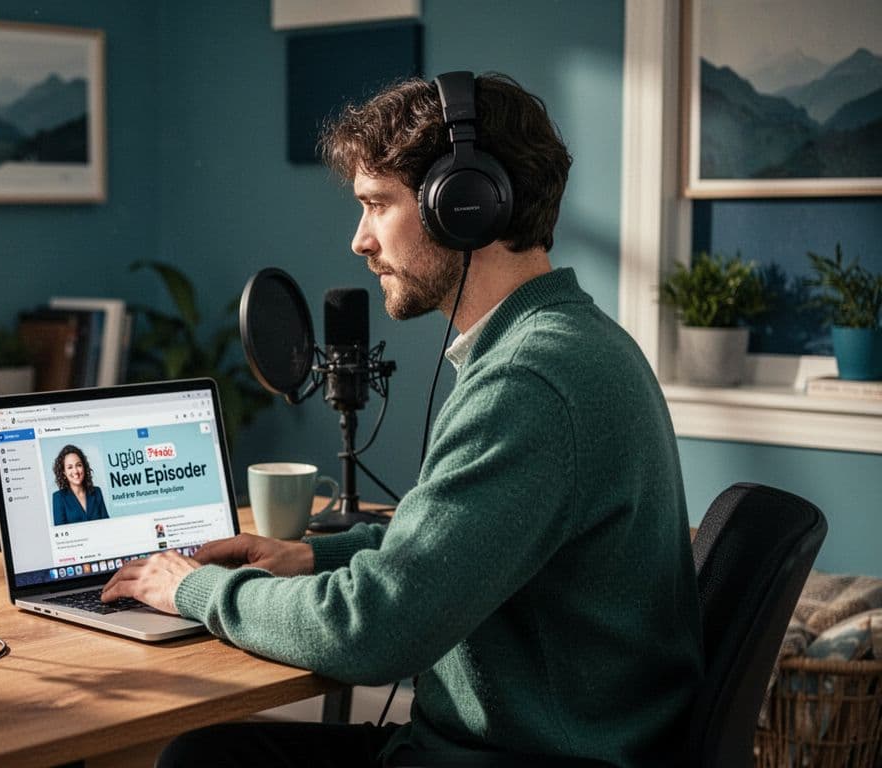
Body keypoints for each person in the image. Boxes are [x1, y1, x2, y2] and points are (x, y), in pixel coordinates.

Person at [102, 72, 703, 767]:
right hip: (540, 744)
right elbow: (463, 548)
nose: (359, 240)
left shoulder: (527, 381)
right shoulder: (574, 342)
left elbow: (372, 631)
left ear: (465, 205)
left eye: (376, 204)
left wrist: (192, 588)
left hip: (514, 758)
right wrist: (314, 556)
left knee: (202, 761)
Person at [50, 444, 108, 525]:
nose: (75, 471)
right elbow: (61, 530)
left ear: (84, 467)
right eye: (70, 467)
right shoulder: (58, 498)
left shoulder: (96, 492)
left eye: (78, 465)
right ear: (64, 473)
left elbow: (107, 524)